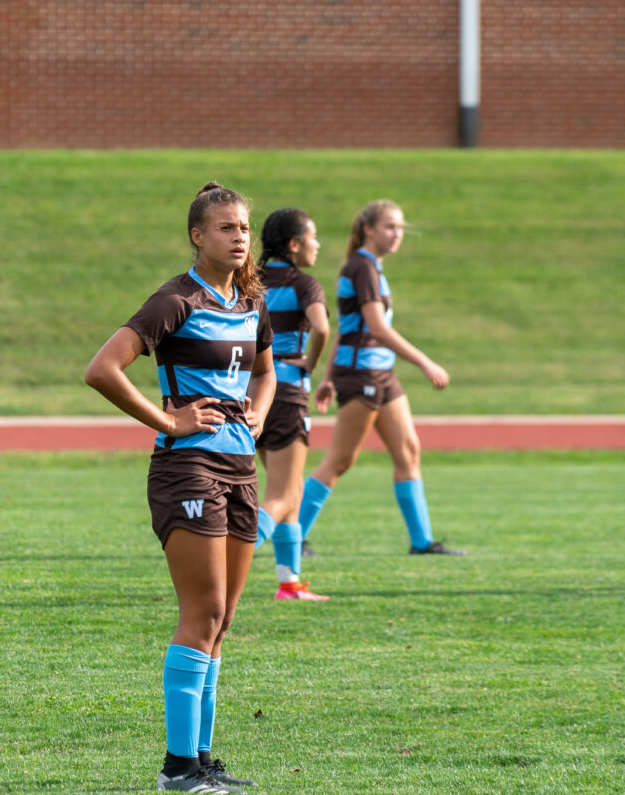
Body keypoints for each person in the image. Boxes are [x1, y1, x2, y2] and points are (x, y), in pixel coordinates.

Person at [84, 182, 275, 793]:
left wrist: (261, 414)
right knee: (204, 611)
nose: (239, 237)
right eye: (226, 228)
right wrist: (170, 421)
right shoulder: (176, 300)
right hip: (187, 468)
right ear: (198, 237)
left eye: (244, 227)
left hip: (242, 469)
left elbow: (268, 369)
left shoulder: (250, 300)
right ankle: (175, 768)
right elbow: (102, 369)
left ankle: (202, 762)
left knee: (223, 622)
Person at [298, 199, 466, 557]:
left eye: (401, 228)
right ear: (369, 229)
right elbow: (374, 327)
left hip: (380, 373)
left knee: (409, 451)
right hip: (363, 374)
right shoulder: (362, 267)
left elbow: (346, 326)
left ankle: (422, 541)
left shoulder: (371, 267)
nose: (397, 234)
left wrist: (328, 375)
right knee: (340, 459)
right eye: (390, 227)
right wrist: (425, 362)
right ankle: (293, 534)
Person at [253, 208, 331, 601]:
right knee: (281, 495)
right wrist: (312, 363)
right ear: (295, 244)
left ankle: (289, 584)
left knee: (293, 491)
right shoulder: (304, 284)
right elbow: (321, 327)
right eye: (313, 237)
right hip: (285, 394)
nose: (318, 245)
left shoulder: (249, 281)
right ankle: (228, 558)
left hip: (249, 394)